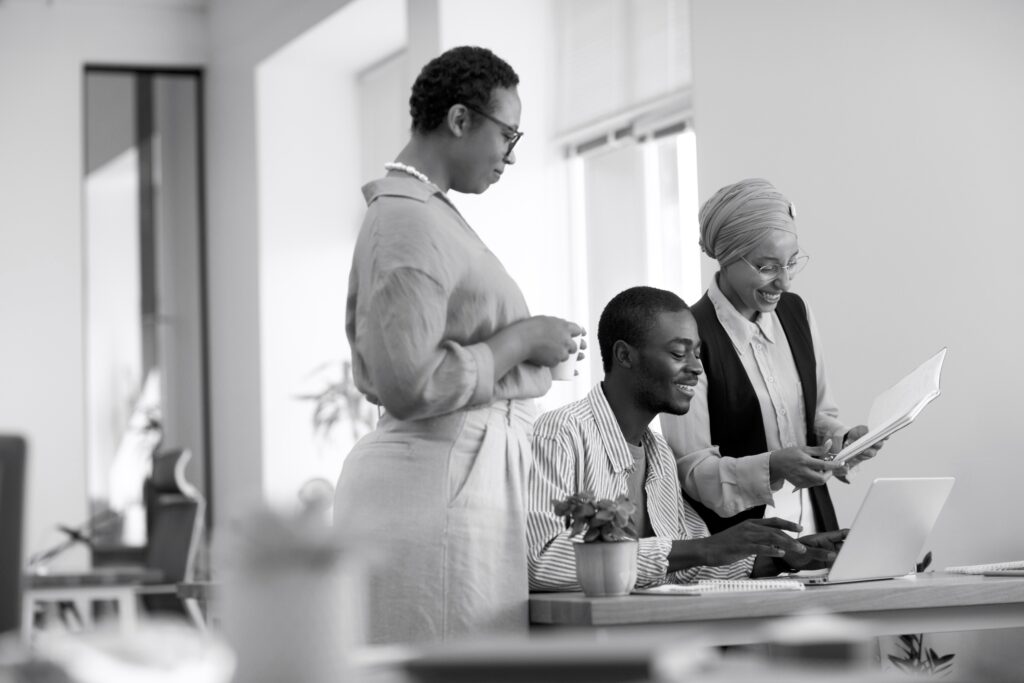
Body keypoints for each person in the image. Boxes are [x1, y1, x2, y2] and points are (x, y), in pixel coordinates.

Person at [334, 46, 583, 644]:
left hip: (456, 476)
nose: (512, 156)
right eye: (508, 134)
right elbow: (409, 380)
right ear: (460, 119)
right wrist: (524, 337)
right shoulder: (409, 220)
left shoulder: (426, 213)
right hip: (442, 483)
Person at [527, 287, 844, 591]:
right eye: (679, 353)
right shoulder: (561, 434)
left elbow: (693, 564)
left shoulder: (660, 456)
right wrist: (703, 548)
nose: (696, 367)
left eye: (697, 353)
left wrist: (781, 555)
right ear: (624, 355)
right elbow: (540, 562)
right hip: (585, 642)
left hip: (655, 635)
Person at [660, 178, 882, 536]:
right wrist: (773, 467)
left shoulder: (797, 313)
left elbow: (819, 415)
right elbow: (693, 472)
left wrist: (841, 441)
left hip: (814, 527)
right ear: (727, 257)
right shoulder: (688, 335)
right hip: (738, 546)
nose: (786, 282)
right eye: (767, 267)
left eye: (792, 263)